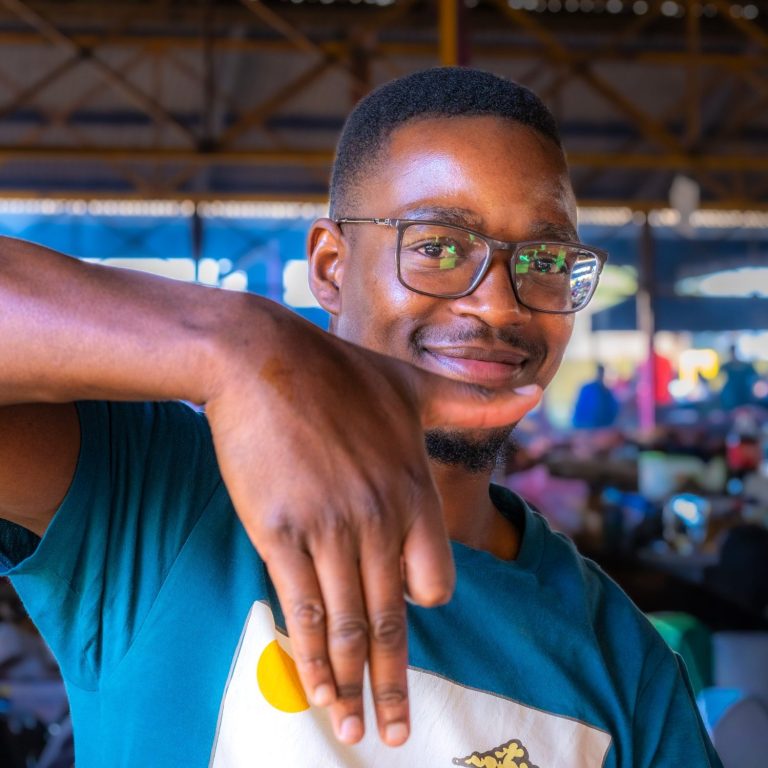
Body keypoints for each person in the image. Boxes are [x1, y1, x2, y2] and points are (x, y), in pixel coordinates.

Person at [0, 68, 721, 767]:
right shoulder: (151, 499)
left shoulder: (624, 666)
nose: (500, 304)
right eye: (438, 246)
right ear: (330, 267)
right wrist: (242, 343)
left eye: (546, 260)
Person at [572, 363, 619, 430]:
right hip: (585, 428)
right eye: (600, 373)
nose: (601, 376)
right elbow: (579, 412)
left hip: (602, 428)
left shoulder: (608, 393)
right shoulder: (587, 389)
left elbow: (613, 412)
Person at [719, 344, 758, 411]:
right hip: (731, 395)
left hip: (744, 392)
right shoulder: (726, 366)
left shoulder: (747, 366)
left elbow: (755, 379)